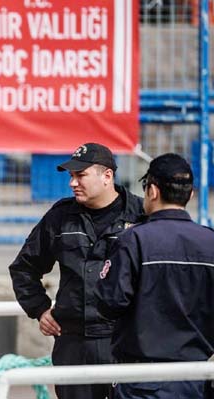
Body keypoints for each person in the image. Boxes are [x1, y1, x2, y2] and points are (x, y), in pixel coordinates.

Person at [9, 143, 144, 399]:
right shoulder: (61, 216)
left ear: (107, 176)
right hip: (74, 343)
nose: (72, 183)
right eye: (71, 176)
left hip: (125, 342)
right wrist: (39, 308)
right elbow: (24, 268)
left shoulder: (140, 215)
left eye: (80, 175)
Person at [96, 153, 214, 398]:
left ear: (152, 191)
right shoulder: (210, 241)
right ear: (190, 195)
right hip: (195, 378)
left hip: (139, 380)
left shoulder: (133, 240)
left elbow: (109, 302)